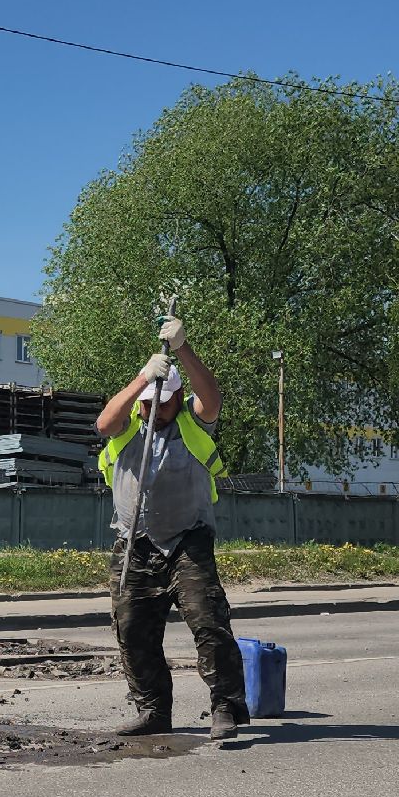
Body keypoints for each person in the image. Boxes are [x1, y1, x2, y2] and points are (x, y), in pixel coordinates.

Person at [95, 315, 251, 741]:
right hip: (134, 544)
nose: (155, 410)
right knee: (131, 628)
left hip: (187, 541)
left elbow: (212, 397)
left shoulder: (192, 423)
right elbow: (104, 423)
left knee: (207, 621)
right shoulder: (128, 428)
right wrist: (143, 377)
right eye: (149, 403)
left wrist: (182, 348)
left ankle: (225, 707)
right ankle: (152, 711)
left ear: (178, 398)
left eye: (163, 402)